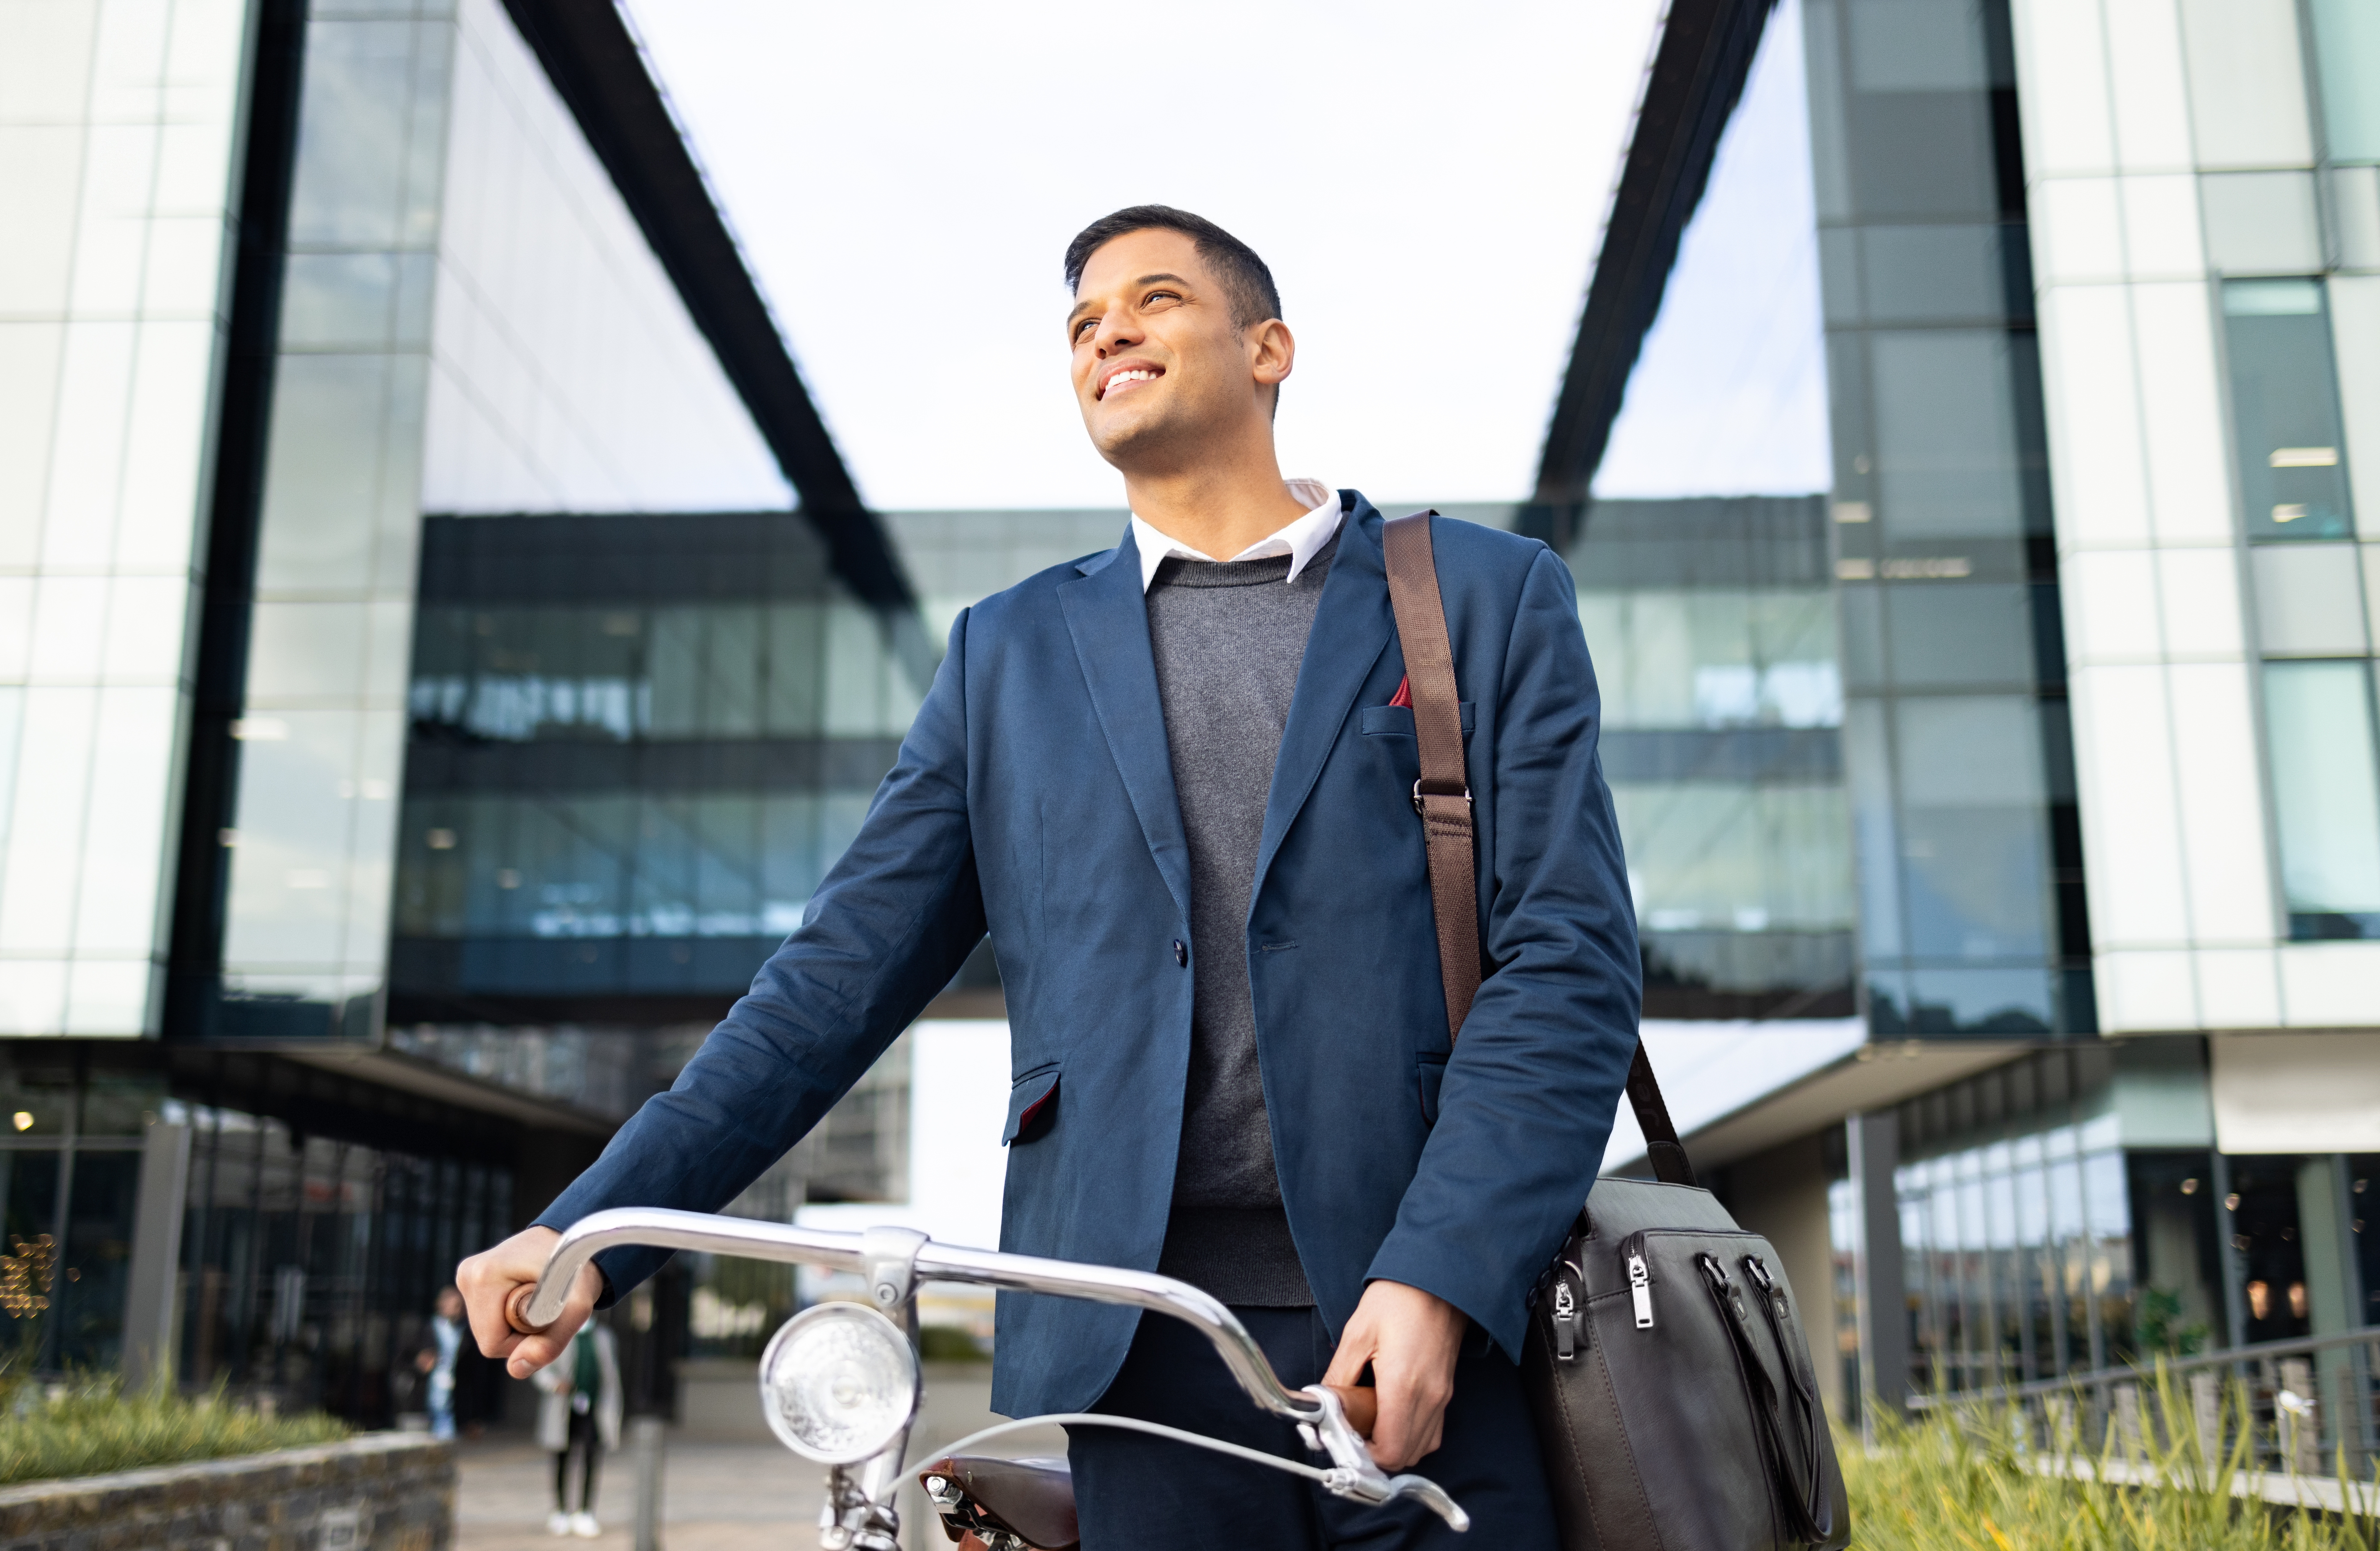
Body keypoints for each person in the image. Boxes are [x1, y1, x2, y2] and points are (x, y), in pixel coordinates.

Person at [460, 205, 1641, 1550]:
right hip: (1135, 1360)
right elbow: (825, 992)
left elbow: (1565, 964)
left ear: (1271, 349)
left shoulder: (1479, 598)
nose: (1107, 333)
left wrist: (1437, 1275)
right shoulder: (1006, 656)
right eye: (1082, 325)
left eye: (1151, 301)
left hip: (1439, 1348)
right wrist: (586, 1232)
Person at [533, 1315, 621, 1539]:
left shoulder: (603, 1337)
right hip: (564, 1408)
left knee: (592, 1459)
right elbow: (541, 1369)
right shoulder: (557, 1332)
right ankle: (561, 1510)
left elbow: (611, 1375)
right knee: (562, 1459)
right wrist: (555, 1385)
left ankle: (586, 1512)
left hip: (594, 1409)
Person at [410, 1285, 467, 1440]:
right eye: (452, 1305)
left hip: (453, 1386)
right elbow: (410, 1356)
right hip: (431, 1384)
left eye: (459, 1306)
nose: (456, 1310)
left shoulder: (464, 1331)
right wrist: (422, 1361)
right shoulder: (429, 1328)